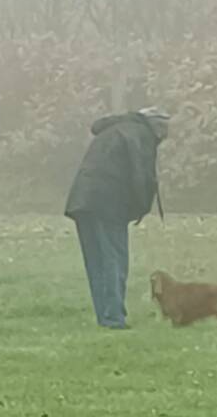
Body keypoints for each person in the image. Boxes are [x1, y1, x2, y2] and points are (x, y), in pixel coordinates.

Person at [65, 107, 170, 330]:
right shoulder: (141, 135)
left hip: (82, 201)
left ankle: (105, 317)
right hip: (109, 203)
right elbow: (141, 177)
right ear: (157, 127)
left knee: (96, 262)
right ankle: (114, 318)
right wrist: (139, 209)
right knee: (114, 259)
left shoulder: (114, 129)